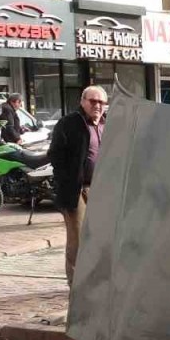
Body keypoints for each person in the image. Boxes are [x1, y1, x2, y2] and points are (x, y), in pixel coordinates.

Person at [47, 86, 107, 284]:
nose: (97, 105)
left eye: (101, 102)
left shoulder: (107, 124)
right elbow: (55, 154)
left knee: (100, 237)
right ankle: (76, 284)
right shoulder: (70, 123)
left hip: (100, 189)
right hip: (76, 191)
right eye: (93, 101)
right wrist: (68, 178)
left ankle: (95, 281)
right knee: (78, 239)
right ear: (83, 101)